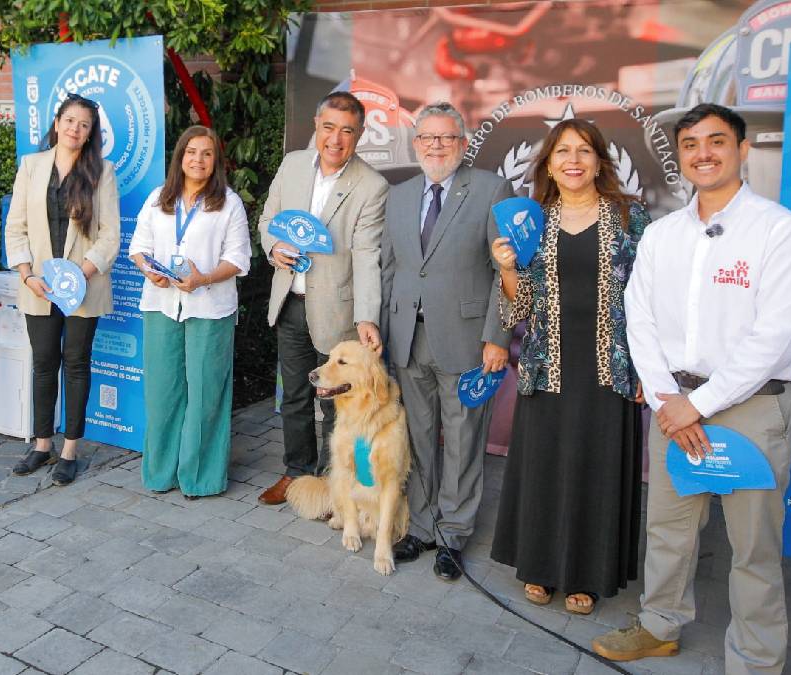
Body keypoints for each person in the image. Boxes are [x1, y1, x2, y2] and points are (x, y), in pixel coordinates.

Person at [593, 103, 791, 673]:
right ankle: (659, 626)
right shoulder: (663, 234)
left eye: (717, 141)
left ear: (742, 150)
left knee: (754, 547)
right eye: (690, 144)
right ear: (680, 157)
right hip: (673, 405)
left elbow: (774, 335)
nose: (704, 153)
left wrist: (697, 404)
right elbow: (639, 318)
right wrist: (667, 398)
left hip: (752, 408)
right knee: (668, 529)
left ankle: (757, 660)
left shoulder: (780, 231)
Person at [489, 118, 650, 613]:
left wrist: (649, 369)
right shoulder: (532, 220)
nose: (573, 160)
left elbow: (654, 298)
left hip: (610, 367)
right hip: (548, 365)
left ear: (600, 161)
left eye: (583, 150)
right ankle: (539, 567)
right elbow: (520, 306)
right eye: (562, 152)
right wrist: (507, 268)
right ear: (549, 164)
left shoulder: (630, 217)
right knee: (545, 467)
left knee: (597, 470)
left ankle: (587, 575)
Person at [379, 102, 512, 581]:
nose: (436, 146)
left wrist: (497, 336)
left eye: (446, 137)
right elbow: (390, 268)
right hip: (406, 339)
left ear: (463, 142)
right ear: (415, 144)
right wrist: (380, 332)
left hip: (465, 340)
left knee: (462, 440)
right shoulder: (399, 195)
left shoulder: (491, 189)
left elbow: (506, 272)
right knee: (417, 438)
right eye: (427, 138)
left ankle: (453, 534)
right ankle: (421, 525)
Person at [256, 90, 389, 506]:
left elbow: (367, 256)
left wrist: (366, 317)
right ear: (316, 125)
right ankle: (296, 474)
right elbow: (268, 220)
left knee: (337, 402)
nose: (336, 139)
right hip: (290, 302)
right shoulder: (292, 164)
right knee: (294, 396)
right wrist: (273, 248)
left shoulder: (372, 186)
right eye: (329, 127)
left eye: (347, 131)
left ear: (359, 134)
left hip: (339, 313)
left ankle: (337, 484)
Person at [3, 94, 120, 486]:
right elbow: (16, 226)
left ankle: (69, 449)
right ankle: (42, 445)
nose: (75, 129)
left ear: (90, 133)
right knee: (43, 363)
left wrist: (77, 276)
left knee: (76, 362)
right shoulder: (31, 166)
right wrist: (25, 273)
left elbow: (110, 235)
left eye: (84, 124)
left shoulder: (102, 171)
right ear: (57, 123)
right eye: (70, 121)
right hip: (38, 285)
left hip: (84, 285)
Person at [129, 125, 250, 499]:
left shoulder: (229, 203)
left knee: (205, 394)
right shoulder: (158, 199)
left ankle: (200, 477)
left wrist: (203, 279)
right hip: (161, 305)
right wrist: (149, 269)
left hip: (210, 309)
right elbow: (138, 247)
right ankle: (161, 473)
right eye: (191, 152)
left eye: (207, 153)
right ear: (180, 157)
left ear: (216, 161)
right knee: (162, 392)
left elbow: (238, 258)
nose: (198, 160)